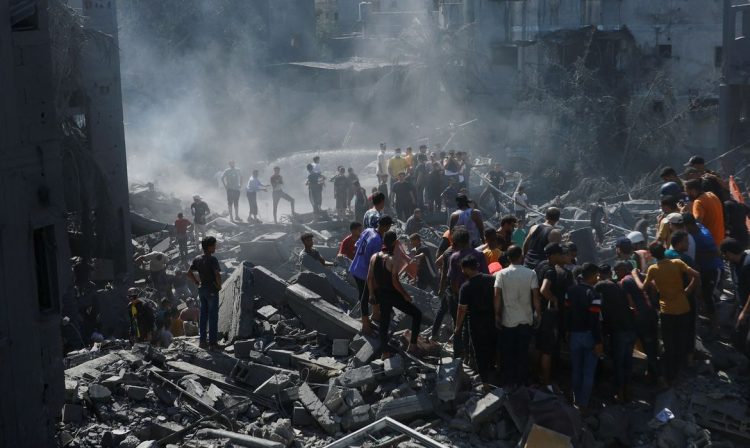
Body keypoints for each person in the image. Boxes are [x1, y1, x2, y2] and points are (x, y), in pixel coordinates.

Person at [641, 243, 699, 383]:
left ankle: (671, 373)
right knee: (682, 338)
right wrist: (688, 291)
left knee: (669, 343)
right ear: (665, 251)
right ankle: (683, 367)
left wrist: (638, 276)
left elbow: (643, 287)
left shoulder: (653, 269)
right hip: (683, 307)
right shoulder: (677, 263)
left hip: (667, 311)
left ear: (653, 255)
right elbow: (696, 275)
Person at [367, 230, 421, 358]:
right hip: (392, 294)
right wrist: (405, 295)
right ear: (395, 242)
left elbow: (369, 278)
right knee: (417, 314)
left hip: (381, 294)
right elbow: (395, 282)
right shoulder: (391, 260)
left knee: (384, 322)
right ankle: (412, 346)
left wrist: (371, 295)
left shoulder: (374, 257)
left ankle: (385, 352)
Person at [494, 245, 541, 387]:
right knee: (523, 352)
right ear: (521, 256)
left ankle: (509, 380)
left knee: (508, 352)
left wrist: (497, 315)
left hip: (508, 320)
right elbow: (536, 297)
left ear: (508, 258)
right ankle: (522, 381)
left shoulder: (501, 274)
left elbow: (497, 296)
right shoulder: (531, 273)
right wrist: (538, 314)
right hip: (526, 319)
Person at [565, 263, 603, 410]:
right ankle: (583, 404)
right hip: (589, 336)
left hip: (574, 335)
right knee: (588, 372)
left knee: (576, 369)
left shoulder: (570, 291)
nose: (598, 278)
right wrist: (598, 341)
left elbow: (567, 314)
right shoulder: (594, 294)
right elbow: (594, 320)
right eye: (597, 275)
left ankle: (576, 399)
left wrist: (567, 331)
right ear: (592, 275)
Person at [454, 256, 498, 385]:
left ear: (466, 269)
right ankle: (495, 374)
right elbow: (498, 299)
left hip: (476, 322)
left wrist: (457, 327)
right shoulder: (491, 279)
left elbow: (461, 309)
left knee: (479, 351)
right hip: (492, 319)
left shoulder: (466, 287)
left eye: (462, 269)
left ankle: (485, 382)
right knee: (493, 347)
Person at [614, 261, 660, 384]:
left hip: (640, 318)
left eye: (617, 271)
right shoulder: (640, 277)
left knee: (645, 346)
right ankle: (653, 373)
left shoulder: (623, 282)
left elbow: (630, 304)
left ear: (622, 270)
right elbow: (654, 288)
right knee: (652, 345)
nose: (616, 274)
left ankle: (658, 378)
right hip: (651, 314)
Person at [446, 228, 489, 356]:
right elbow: (485, 275)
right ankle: (472, 354)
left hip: (461, 296)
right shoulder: (480, 255)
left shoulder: (454, 257)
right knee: (475, 327)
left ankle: (459, 353)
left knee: (459, 325)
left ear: (457, 243)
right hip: (478, 297)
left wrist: (456, 296)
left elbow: (452, 280)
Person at [596, 264, 636, 402]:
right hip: (630, 328)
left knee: (619, 362)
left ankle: (620, 393)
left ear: (599, 275)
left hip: (618, 330)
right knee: (628, 362)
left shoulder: (600, 286)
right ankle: (628, 391)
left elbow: (596, 307)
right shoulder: (619, 284)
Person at [350, 216, 394, 335]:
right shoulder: (377, 240)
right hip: (363, 272)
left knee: (365, 294)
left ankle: (373, 316)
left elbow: (356, 245)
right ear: (386, 226)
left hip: (355, 267)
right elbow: (373, 262)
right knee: (365, 297)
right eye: (389, 226)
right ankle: (365, 325)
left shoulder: (368, 230)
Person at [536, 242, 572, 386]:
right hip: (547, 313)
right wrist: (555, 300)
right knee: (547, 349)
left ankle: (537, 374)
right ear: (554, 255)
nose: (562, 256)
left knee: (539, 346)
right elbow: (544, 290)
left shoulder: (540, 265)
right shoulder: (551, 270)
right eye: (560, 254)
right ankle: (546, 381)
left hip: (537, 311)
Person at [683, 213, 722, 326]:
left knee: (707, 297)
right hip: (703, 268)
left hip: (711, 269)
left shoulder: (702, 237)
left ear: (688, 225)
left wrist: (695, 255)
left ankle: (715, 326)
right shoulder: (699, 227)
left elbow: (715, 253)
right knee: (703, 295)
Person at [187, 236, 222, 350]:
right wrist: (219, 285)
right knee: (212, 316)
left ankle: (202, 341)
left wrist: (197, 283)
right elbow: (217, 274)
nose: (215, 247)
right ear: (209, 246)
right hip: (211, 289)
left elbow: (189, 273)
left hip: (201, 290)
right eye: (214, 245)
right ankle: (213, 343)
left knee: (203, 316)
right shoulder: (212, 259)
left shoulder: (197, 258)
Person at [719, 238, 750, 355]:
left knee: (743, 336)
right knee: (738, 333)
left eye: (724, 255)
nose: (724, 258)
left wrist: (745, 312)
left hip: (747, 307)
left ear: (729, 253)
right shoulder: (736, 263)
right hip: (743, 305)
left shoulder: (747, 265)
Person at [685, 178, 725, 246]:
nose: (687, 194)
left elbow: (697, 224)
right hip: (720, 239)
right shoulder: (712, 195)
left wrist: (687, 213)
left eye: (687, 191)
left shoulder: (698, 202)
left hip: (710, 242)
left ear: (693, 190)